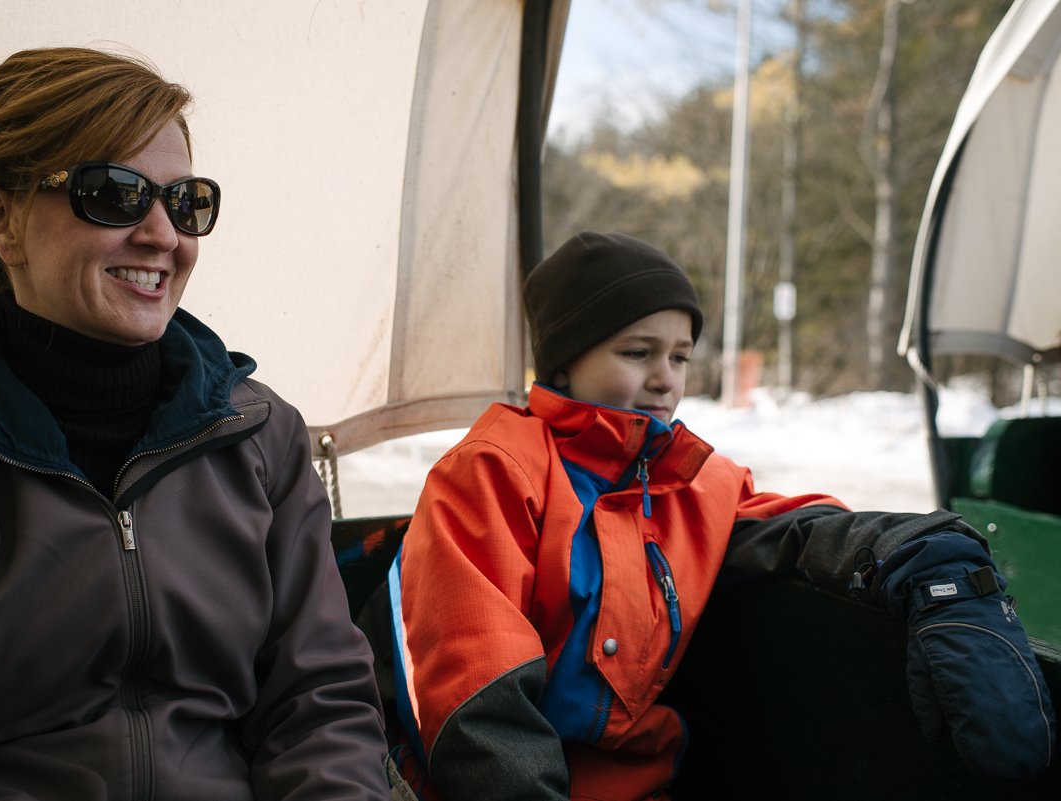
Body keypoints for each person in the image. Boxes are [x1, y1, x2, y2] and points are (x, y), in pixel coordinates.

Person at [0, 47, 389, 800]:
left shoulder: (261, 437)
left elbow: (322, 709)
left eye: (186, 202)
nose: (162, 235)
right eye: (113, 194)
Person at [382, 231, 1056, 801]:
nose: (665, 378)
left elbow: (797, 527)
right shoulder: (494, 471)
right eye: (637, 352)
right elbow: (473, 684)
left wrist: (927, 555)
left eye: (679, 356)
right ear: (565, 358)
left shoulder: (689, 481)